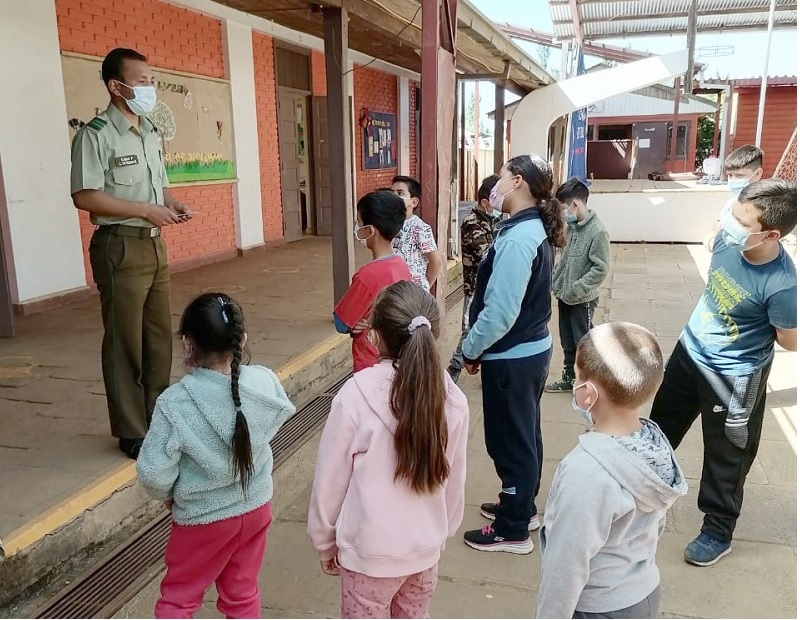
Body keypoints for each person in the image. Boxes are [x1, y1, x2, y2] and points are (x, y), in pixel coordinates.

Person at [651, 179, 797, 567]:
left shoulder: (782, 284)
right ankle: (641, 493)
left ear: (771, 234)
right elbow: (715, 236)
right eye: (733, 214)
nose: (730, 225)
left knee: (727, 455)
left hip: (735, 376)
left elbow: (790, 341)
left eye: (741, 222)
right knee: (659, 429)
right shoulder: (729, 238)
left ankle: (717, 529)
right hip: (691, 350)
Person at [308, 281, 469, 619]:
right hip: (425, 553)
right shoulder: (451, 398)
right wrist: (441, 532)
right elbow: (454, 477)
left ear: (374, 336)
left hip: (369, 558)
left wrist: (325, 541)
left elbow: (329, 482)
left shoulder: (355, 396)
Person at [136, 293, 295, 618]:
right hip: (255, 508)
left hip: (203, 519)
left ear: (186, 344)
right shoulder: (264, 384)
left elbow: (153, 474)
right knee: (242, 592)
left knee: (179, 598)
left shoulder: (175, 403)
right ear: (243, 340)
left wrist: (169, 495)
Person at [70, 48, 193, 459]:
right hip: (120, 244)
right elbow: (85, 196)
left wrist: (171, 203)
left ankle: (157, 415)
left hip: (153, 242)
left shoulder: (149, 131)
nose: (150, 88)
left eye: (151, 80)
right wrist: (145, 209)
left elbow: (158, 186)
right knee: (125, 339)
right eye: (141, 81)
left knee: (158, 337)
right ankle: (130, 429)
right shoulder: (97, 134)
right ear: (115, 86)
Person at [460, 155, 566, 554]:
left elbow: (500, 313)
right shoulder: (528, 228)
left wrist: (470, 348)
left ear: (517, 181)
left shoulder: (521, 237)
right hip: (528, 351)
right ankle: (521, 506)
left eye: (502, 177)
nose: (496, 185)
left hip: (512, 357)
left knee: (510, 442)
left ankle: (513, 528)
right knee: (525, 435)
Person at [334, 191, 412, 372]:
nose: (357, 227)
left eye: (359, 222)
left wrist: (358, 322)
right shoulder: (401, 265)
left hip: (369, 362)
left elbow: (341, 322)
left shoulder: (367, 276)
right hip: (397, 359)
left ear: (370, 230)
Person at [545, 177, 611, 393]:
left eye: (563, 208)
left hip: (582, 300)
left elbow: (600, 268)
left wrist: (578, 288)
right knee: (567, 341)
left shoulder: (597, 231)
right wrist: (557, 281)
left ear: (575, 205)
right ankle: (569, 377)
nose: (562, 213)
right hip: (565, 296)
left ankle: (589, 382)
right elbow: (564, 259)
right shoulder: (572, 228)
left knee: (583, 342)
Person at [447, 174, 500, 383]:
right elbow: (486, 255)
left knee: (490, 327)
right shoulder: (472, 222)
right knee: (469, 329)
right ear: (485, 202)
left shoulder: (491, 220)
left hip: (490, 287)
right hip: (476, 287)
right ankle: (455, 366)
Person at [703, 145, 764, 252]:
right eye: (730, 175)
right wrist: (710, 241)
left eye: (739, 175)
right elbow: (717, 227)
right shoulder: (731, 202)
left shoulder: (764, 207)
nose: (733, 180)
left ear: (758, 173)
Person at [391, 175, 444, 291]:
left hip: (414, 292)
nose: (394, 197)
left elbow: (436, 261)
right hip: (394, 290)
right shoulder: (388, 224)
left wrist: (425, 284)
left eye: (400, 193)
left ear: (414, 202)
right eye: (392, 193)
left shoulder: (420, 227)